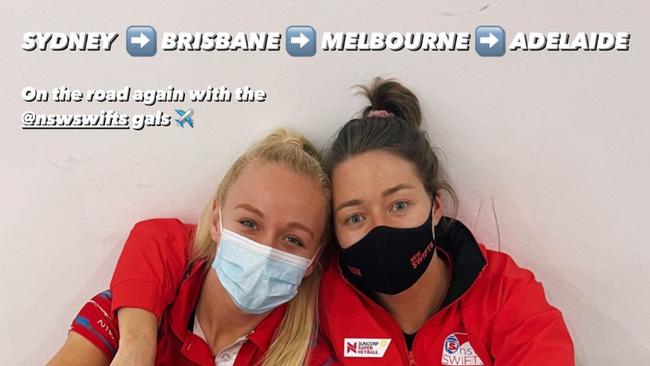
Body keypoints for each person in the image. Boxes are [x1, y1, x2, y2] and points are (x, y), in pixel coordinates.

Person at [64, 78, 575, 365]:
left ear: (436, 207)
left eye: (399, 205)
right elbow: (163, 238)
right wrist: (134, 343)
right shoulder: (325, 290)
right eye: (355, 216)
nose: (378, 230)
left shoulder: (508, 298)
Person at [47, 129, 335, 366]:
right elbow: (158, 236)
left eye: (293, 240)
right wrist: (137, 345)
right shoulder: (133, 310)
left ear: (313, 259)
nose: (265, 251)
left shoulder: (311, 358)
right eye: (249, 223)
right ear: (215, 220)